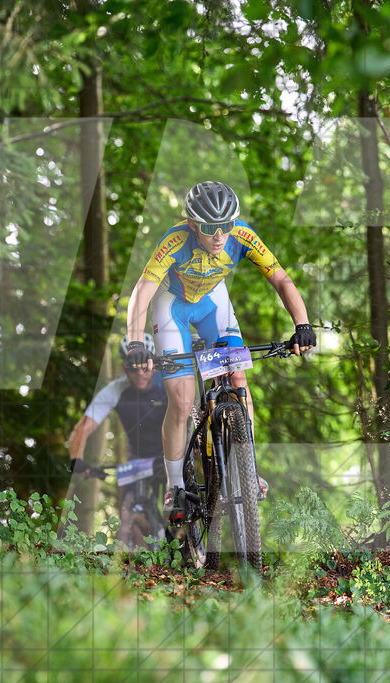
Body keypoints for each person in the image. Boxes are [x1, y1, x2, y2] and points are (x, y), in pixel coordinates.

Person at [125, 181, 316, 523]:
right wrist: (136, 342)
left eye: (225, 226)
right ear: (194, 224)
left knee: (238, 378)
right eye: (211, 228)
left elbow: (281, 279)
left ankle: (247, 466)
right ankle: (174, 485)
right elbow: (143, 289)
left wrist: (302, 324)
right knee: (182, 401)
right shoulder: (175, 241)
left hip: (214, 305)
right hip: (173, 309)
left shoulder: (241, 236)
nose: (219, 235)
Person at [68, 334, 168, 546]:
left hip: (172, 454)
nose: (140, 374)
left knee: (179, 508)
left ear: (154, 365)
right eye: (133, 368)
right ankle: (138, 564)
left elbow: (193, 414)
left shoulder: (168, 383)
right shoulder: (116, 390)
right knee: (128, 513)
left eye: (145, 367)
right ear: (124, 368)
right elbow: (83, 428)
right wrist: (76, 461)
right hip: (138, 458)